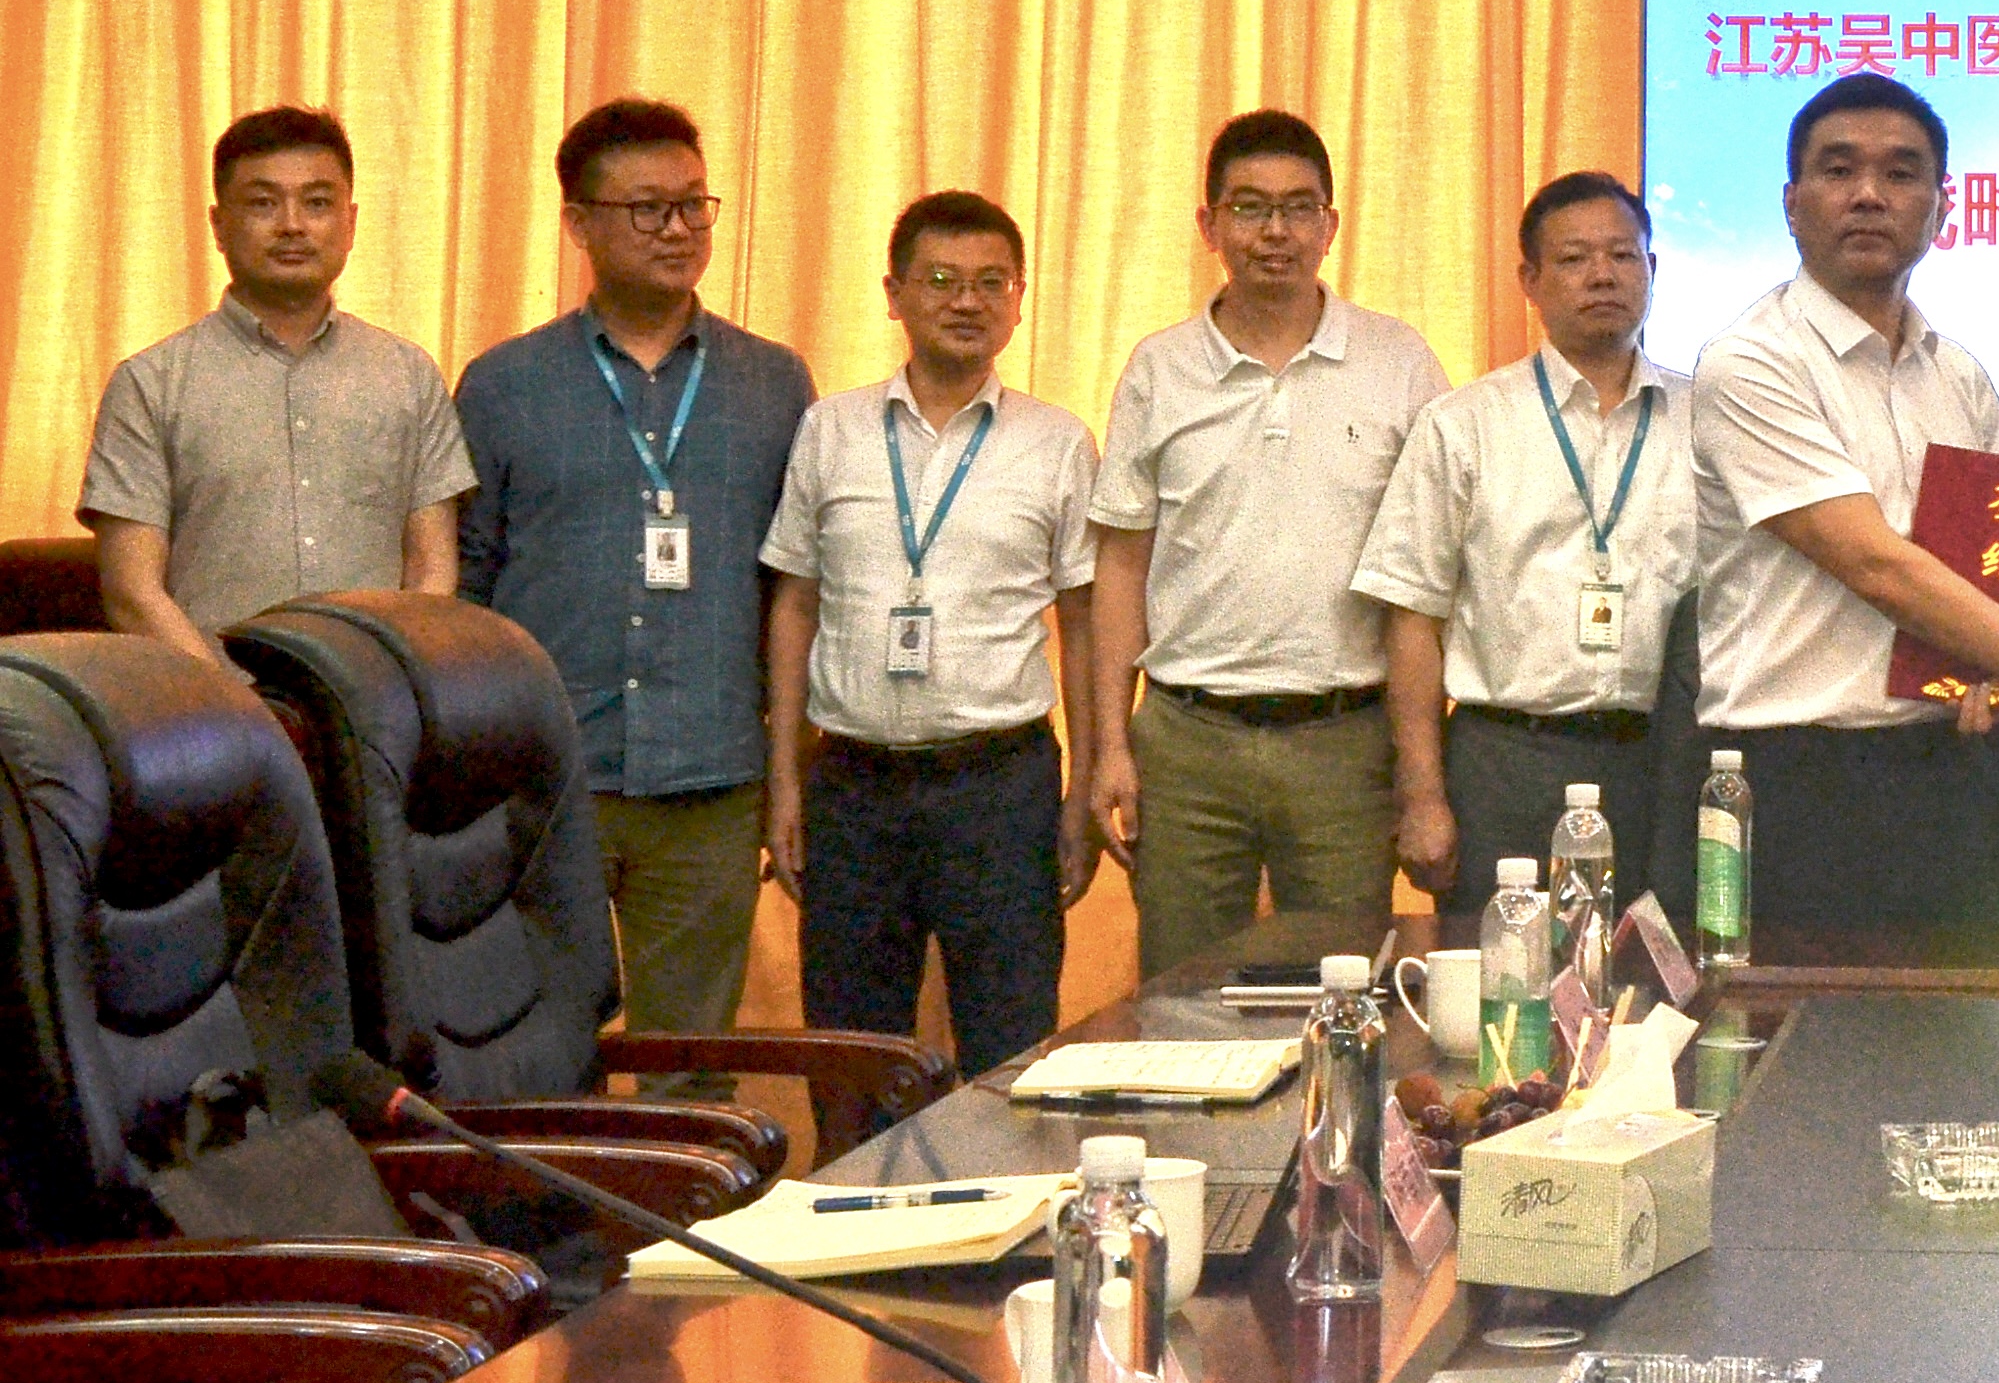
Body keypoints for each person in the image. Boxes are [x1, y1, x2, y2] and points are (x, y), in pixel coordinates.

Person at [1686, 71, 1999, 943]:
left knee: (1958, 1020)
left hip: (1955, 766)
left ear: (1942, 208)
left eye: (1901, 173)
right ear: (1791, 204)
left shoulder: (1958, 373)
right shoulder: (1750, 362)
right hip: (1802, 775)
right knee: (1807, 1025)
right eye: (1839, 170)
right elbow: (1878, 566)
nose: (1869, 194)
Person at [456, 97, 817, 1056]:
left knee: (689, 1067)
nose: (678, 229)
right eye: (648, 208)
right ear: (579, 223)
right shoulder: (502, 384)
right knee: (537, 1054)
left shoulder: (775, 384)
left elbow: (797, 591)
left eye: (695, 205)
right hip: (544, 780)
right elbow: (466, 586)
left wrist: (789, 767)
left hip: (711, 776)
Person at [1083, 111, 1448, 978]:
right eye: (1249, 208)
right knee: (1180, 998)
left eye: (1297, 207)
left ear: (1330, 224)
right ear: (1209, 225)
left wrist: (1420, 772)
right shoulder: (1160, 367)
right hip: (1187, 742)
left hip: (1345, 744)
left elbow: (1430, 579)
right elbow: (1122, 565)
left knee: (1344, 998)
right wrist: (1111, 745)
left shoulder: (1398, 362)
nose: (1275, 231)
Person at [758, 192, 1098, 1073]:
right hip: (852, 789)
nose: (967, 301)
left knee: (1011, 1053)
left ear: (1019, 300)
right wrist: (786, 781)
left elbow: (1084, 624)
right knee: (852, 1054)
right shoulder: (830, 429)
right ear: (894, 294)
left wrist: (1084, 788)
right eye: (941, 280)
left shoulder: (1058, 443)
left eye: (992, 282)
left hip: (1001, 787)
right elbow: (795, 604)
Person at [1362, 172, 1702, 922]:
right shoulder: (1465, 424)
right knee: (1500, 981)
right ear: (1530, 280)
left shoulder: (1706, 420)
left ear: (1652, 268)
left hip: (1665, 762)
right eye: (1575, 258)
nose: (1603, 275)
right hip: (1506, 761)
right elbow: (1412, 616)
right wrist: (1421, 796)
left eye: (1623, 255)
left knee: (1657, 978)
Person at [81, 105, 476, 665]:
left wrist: (388, 684)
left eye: (317, 203)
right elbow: (132, 593)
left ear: (350, 223)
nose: (292, 225)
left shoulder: (408, 375)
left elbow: (432, 569)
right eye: (263, 203)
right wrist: (231, 700)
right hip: (207, 703)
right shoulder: (150, 384)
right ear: (219, 226)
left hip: (376, 701)